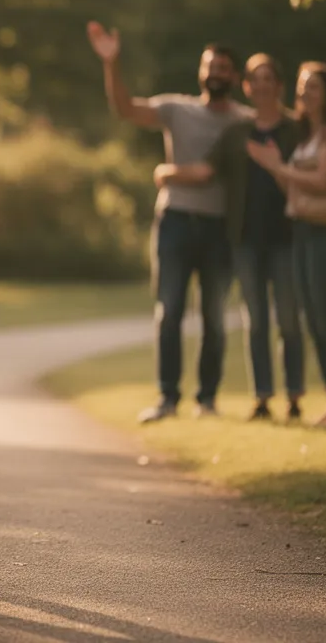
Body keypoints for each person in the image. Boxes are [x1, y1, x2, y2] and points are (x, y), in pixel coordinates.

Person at [86, 23, 253, 423]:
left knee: (214, 317)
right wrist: (111, 63)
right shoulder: (178, 109)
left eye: (223, 68)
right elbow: (126, 109)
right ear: (200, 71)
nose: (215, 73)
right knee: (170, 310)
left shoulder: (246, 122)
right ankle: (167, 399)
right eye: (210, 66)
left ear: (235, 76)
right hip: (175, 222)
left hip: (220, 228)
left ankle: (207, 401)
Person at [154, 54, 305, 421]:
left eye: (269, 79)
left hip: (287, 237)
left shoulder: (296, 130)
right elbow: (206, 170)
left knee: (288, 320)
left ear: (279, 86)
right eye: (256, 80)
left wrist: (275, 166)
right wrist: (167, 173)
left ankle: (295, 398)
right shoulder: (237, 132)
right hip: (245, 238)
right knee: (256, 322)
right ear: (246, 86)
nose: (263, 86)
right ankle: (262, 398)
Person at [245, 62, 326, 425]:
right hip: (301, 231)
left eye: (312, 87)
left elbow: (324, 182)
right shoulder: (304, 134)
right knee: (314, 321)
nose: (304, 93)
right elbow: (294, 189)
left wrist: (277, 166)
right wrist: (277, 169)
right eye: (301, 86)